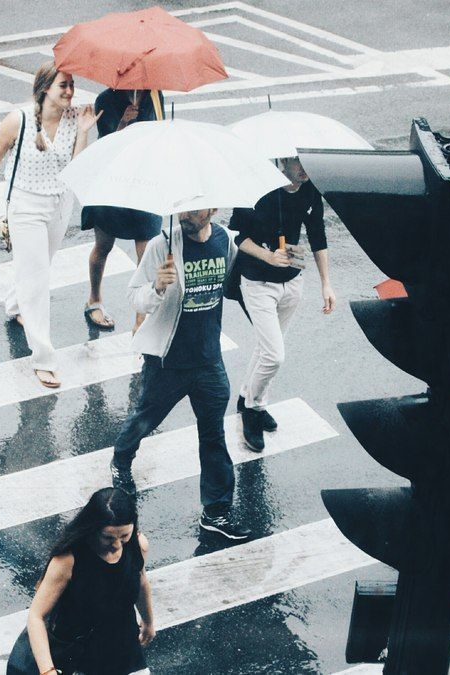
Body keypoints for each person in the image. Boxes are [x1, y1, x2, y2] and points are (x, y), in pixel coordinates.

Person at [0, 61, 99, 389]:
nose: (70, 91)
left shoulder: (75, 117)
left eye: (72, 85)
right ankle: (44, 359)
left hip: (60, 203)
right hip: (26, 206)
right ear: (45, 88)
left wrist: (84, 132)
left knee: (38, 266)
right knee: (37, 281)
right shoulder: (17, 120)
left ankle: (14, 304)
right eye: (63, 85)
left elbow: (76, 166)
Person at [110, 209, 252, 541]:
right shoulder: (163, 246)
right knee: (146, 417)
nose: (185, 214)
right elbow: (134, 295)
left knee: (214, 437)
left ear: (213, 209)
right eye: (183, 207)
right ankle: (121, 458)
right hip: (167, 361)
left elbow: (233, 284)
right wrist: (157, 287)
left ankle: (216, 511)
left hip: (207, 361)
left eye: (195, 208)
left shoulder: (225, 241)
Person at [228, 156, 336, 451]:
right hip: (257, 282)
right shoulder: (257, 188)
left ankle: (247, 397)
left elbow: (317, 235)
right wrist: (268, 257)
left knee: (267, 348)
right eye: (296, 161)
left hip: (293, 279)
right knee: (274, 355)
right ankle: (252, 409)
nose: (303, 167)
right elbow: (240, 238)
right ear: (282, 162)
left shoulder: (310, 188)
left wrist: (326, 283)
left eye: (304, 160)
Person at [9, 487, 154, 675]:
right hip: (80, 656)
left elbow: (141, 581)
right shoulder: (68, 560)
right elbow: (37, 616)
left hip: (124, 648)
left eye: (124, 536)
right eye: (108, 537)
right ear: (93, 529)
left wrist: (148, 621)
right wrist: (47, 671)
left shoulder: (137, 545)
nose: (117, 544)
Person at [79, 89, 163, 332]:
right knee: (103, 247)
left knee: (146, 253)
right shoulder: (105, 100)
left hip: (145, 183)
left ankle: (140, 317)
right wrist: (124, 122)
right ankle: (94, 298)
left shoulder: (155, 96)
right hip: (112, 184)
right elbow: (104, 149)